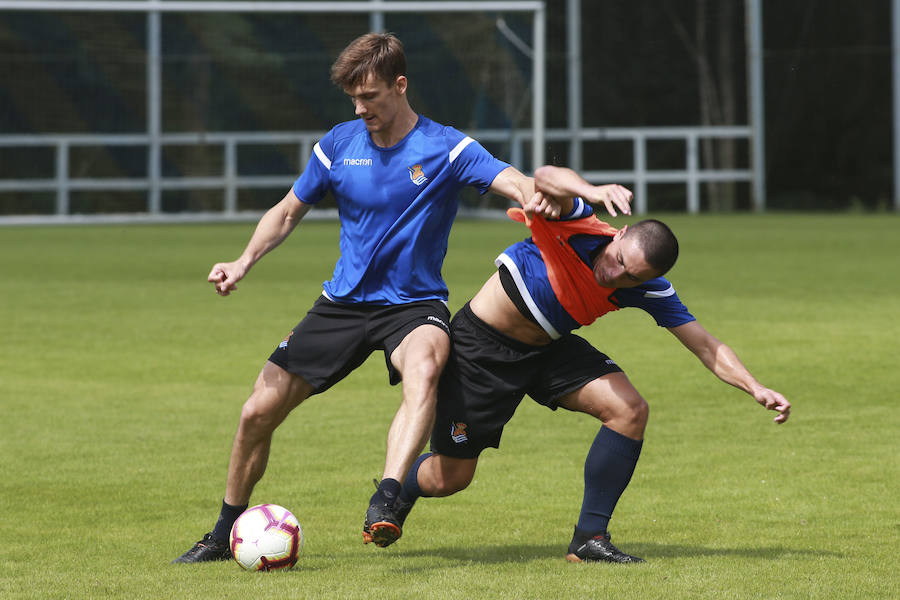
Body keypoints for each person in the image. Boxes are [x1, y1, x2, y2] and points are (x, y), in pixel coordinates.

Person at [172, 32, 558, 563]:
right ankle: (223, 531)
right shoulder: (338, 145)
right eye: (353, 98)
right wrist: (242, 261)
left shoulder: (446, 147)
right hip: (342, 304)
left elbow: (509, 179)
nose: (361, 108)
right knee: (255, 413)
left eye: (370, 96)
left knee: (425, 366)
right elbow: (287, 211)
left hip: (412, 305)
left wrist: (535, 196)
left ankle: (388, 496)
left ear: (400, 86)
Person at [387, 165, 791, 563]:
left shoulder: (647, 288)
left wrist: (755, 386)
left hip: (548, 347)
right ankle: (396, 493)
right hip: (482, 350)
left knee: (630, 411)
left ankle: (589, 538)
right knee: (449, 479)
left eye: (629, 276)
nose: (612, 273)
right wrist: (594, 191)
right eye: (618, 259)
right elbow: (545, 177)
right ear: (621, 233)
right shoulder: (578, 219)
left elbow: (705, 345)